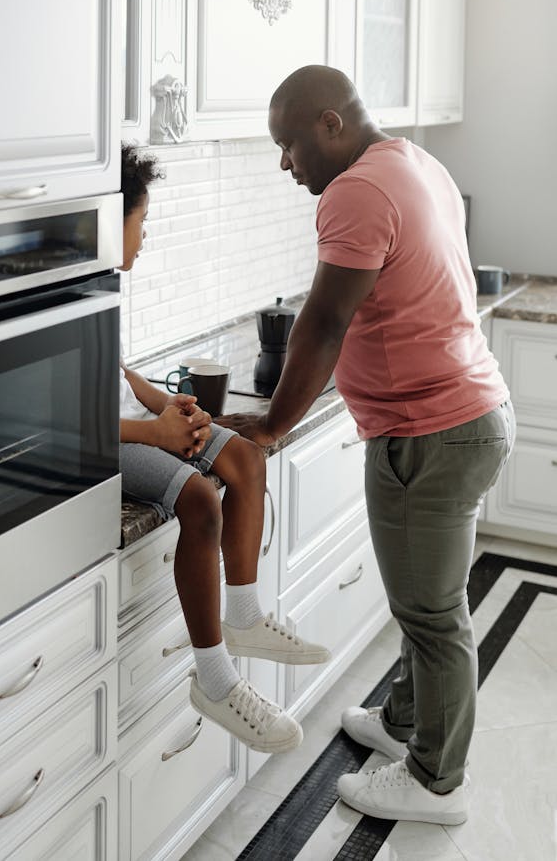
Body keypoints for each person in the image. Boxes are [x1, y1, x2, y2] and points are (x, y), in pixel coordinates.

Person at [217, 66, 515, 824]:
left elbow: (322, 321)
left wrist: (273, 426)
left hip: (431, 431)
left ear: (329, 124)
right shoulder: (415, 162)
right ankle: (407, 721)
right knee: (422, 599)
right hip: (467, 414)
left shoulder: (355, 190)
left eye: (287, 145)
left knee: (434, 612)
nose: (286, 164)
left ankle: (434, 780)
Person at [118, 142, 330, 754]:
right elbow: (75, 420)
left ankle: (244, 614)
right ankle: (215, 681)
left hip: (136, 421)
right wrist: (154, 432)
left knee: (244, 456)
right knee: (200, 501)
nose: (146, 235)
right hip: (107, 444)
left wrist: (170, 406)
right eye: (142, 222)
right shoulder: (76, 290)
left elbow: (119, 374)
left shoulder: (100, 284)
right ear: (114, 221)